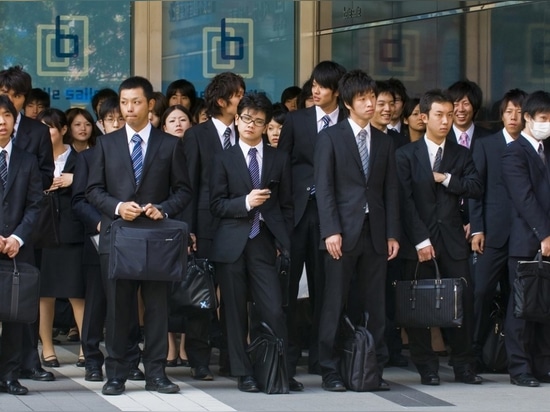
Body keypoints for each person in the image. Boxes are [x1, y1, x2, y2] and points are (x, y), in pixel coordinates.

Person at [86, 76, 192, 396]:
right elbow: (92, 190)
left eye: (135, 102)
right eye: (124, 102)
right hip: (119, 236)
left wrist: (164, 208)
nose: (128, 109)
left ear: (149, 105)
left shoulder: (170, 144)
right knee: (119, 307)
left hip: (156, 238)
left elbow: (184, 190)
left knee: (158, 306)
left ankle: (156, 372)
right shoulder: (105, 143)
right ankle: (116, 372)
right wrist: (118, 207)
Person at [314, 69, 399, 392]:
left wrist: (392, 233)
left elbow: (390, 191)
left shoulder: (384, 141)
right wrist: (330, 230)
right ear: (348, 102)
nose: (370, 104)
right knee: (334, 302)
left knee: (375, 304)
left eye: (372, 98)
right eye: (363, 98)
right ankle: (329, 368)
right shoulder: (330, 138)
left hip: (375, 232)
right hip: (342, 234)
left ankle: (371, 368)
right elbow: (324, 189)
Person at [209, 92, 299, 392]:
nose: (251, 125)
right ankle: (242, 372)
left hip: (263, 241)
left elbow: (287, 205)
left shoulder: (278, 158)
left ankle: (279, 369)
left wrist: (282, 241)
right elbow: (216, 204)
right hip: (232, 242)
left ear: (266, 126)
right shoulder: (222, 158)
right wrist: (245, 202)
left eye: (258, 121)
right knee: (234, 312)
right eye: (246, 119)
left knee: (273, 308)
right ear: (237, 120)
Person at [395, 89, 483, 386]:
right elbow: (405, 202)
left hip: (454, 243)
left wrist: (446, 178)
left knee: (462, 305)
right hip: (418, 242)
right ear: (424, 117)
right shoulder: (406, 155)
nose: (445, 121)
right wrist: (421, 240)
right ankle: (427, 368)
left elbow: (474, 186)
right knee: (418, 309)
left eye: (449, 115)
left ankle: (463, 365)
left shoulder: (461, 153)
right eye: (439, 115)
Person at [278, 60, 346, 377]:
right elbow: (284, 165)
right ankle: (289, 356)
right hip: (298, 213)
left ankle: (322, 356)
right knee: (289, 288)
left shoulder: (347, 122)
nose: (315, 90)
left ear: (337, 90)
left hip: (332, 218)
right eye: (313, 84)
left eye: (322, 85)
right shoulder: (297, 120)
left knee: (325, 289)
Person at [72, 97, 144, 383]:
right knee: (97, 302)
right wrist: (101, 223)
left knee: (127, 302)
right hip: (98, 238)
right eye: (109, 119)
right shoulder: (89, 156)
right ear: (99, 124)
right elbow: (79, 200)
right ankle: (91, 359)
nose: (116, 123)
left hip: (131, 240)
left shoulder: (136, 152)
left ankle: (130, 359)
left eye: (119, 118)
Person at [181, 72, 246, 380]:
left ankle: (234, 360)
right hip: (206, 226)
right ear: (222, 101)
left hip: (240, 225)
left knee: (234, 296)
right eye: (238, 94)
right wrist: (189, 228)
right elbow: (189, 186)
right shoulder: (197, 135)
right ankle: (199, 359)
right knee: (202, 295)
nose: (243, 99)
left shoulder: (246, 133)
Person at [0, 65, 55, 383]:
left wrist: (17, 236)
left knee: (19, 305)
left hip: (22, 235)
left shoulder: (35, 133)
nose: (8, 104)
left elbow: (42, 181)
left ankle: (20, 366)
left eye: (15, 97)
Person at [469, 88, 527, 371]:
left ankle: (515, 358)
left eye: (518, 112)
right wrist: (477, 228)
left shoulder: (534, 146)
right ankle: (474, 352)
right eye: (508, 111)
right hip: (492, 234)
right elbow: (476, 191)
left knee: (519, 297)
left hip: (525, 236)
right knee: (481, 292)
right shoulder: (486, 145)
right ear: (501, 115)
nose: (513, 117)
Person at [501, 90, 550, 387]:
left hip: (548, 242)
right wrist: (545, 234)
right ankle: (519, 368)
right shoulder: (514, 152)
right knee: (521, 308)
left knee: (545, 308)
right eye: (543, 118)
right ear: (527, 118)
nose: (547, 124)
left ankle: (543, 364)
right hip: (526, 242)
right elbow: (524, 198)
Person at [0, 95, 43, 396]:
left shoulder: (27, 161)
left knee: (14, 317)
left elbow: (36, 205)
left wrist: (17, 237)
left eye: (6, 115)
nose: (1, 121)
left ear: (15, 122)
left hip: (17, 250)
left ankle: (9, 375)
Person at [36, 108, 86, 367]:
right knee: (45, 294)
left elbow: (97, 186)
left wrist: (74, 180)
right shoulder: (34, 159)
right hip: (42, 233)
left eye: (51, 127)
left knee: (77, 292)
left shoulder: (81, 158)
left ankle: (85, 348)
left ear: (63, 130)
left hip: (72, 232)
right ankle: (47, 347)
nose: (46, 133)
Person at [160, 103, 194, 368]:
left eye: (183, 119)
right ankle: (170, 345)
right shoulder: (160, 151)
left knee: (191, 289)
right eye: (173, 120)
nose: (179, 124)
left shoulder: (196, 152)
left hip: (191, 225)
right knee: (166, 291)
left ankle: (186, 346)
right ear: (163, 127)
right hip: (165, 226)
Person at [371, 80, 409, 149]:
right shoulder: (360, 138)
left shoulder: (402, 141)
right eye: (381, 104)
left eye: (391, 104)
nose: (388, 109)